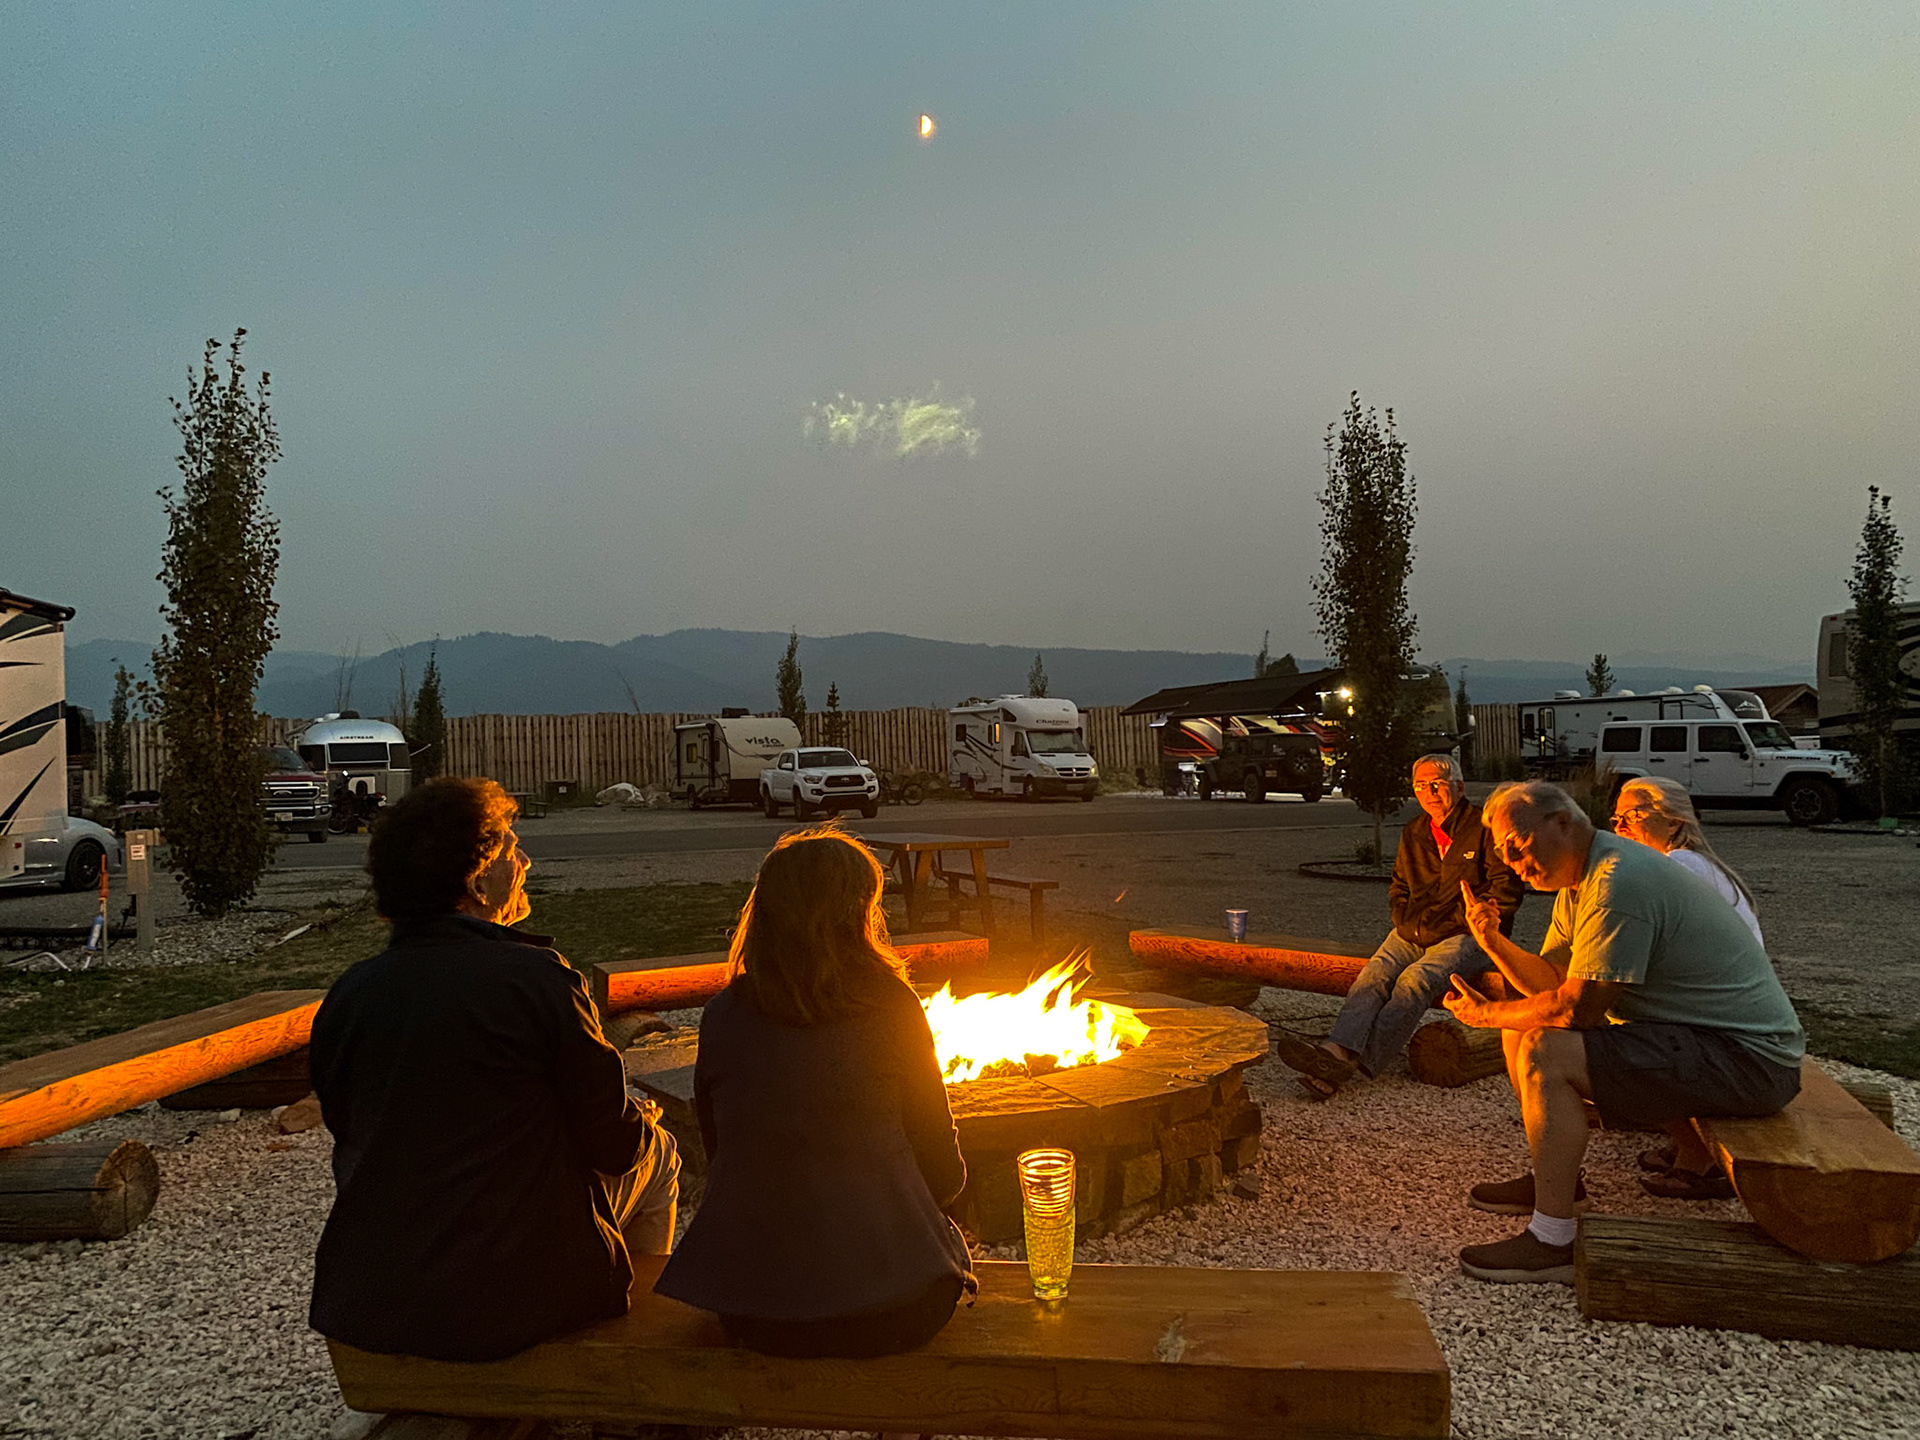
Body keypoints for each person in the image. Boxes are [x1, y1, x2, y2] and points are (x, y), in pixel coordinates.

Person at [309, 777, 680, 1362]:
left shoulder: (349, 996)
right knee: (659, 1153)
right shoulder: (538, 981)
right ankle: (632, 1352)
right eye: (511, 847)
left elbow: (359, 1133)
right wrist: (635, 1118)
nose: (526, 860)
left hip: (372, 1295)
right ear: (478, 879)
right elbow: (615, 1147)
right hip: (509, 1294)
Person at [1444, 781, 1804, 1285]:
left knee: (1547, 1048)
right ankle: (1559, 1189)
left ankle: (1553, 1240)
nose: (1514, 864)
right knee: (1521, 1028)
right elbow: (1549, 982)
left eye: (1520, 847)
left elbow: (1577, 1012)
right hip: (1704, 1040)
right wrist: (1491, 940)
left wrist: (1487, 1016)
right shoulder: (1580, 881)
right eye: (1503, 853)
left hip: (1750, 1060)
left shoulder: (1619, 880)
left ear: (1563, 823)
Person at [655, 825, 975, 1357]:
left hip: (752, 1311)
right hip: (896, 1313)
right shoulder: (893, 1006)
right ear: (857, 915)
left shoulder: (723, 1015)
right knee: (944, 1245)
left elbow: (722, 1155)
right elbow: (944, 1172)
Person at [1271, 753, 1525, 1098]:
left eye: (1438, 783)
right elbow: (1399, 885)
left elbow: (1505, 891)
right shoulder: (1415, 832)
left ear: (1459, 787)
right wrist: (1403, 918)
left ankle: (1355, 1063)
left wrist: (1474, 920)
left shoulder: (1484, 828)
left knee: (1415, 980)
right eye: (1421, 785)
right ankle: (1336, 1051)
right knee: (1374, 974)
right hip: (1415, 929)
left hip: (1470, 934)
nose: (1430, 791)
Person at [1612, 775, 1763, 944]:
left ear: (1673, 823)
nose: (1620, 827)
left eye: (1633, 815)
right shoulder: (1700, 864)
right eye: (1617, 819)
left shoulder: (1682, 864)